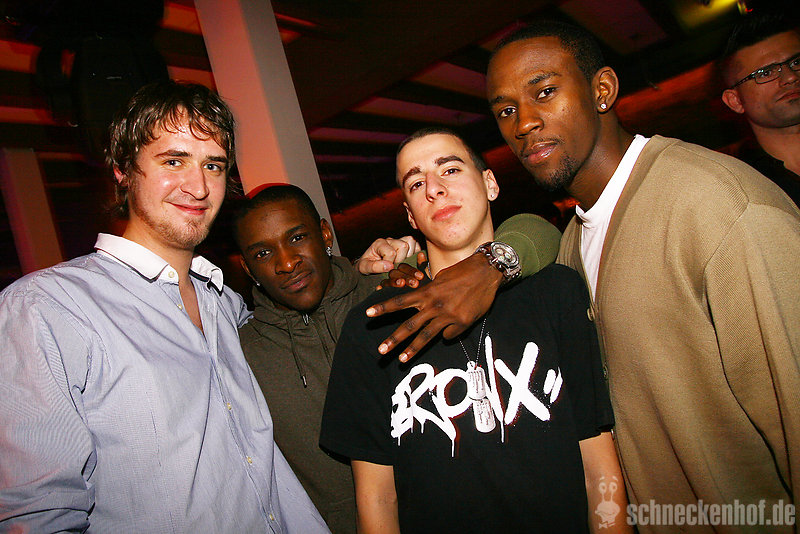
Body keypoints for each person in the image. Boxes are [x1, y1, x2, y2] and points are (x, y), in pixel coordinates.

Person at [366, 21, 800, 531]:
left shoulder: (720, 208)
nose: (524, 123)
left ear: (602, 90)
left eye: (544, 92)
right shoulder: (570, 243)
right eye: (505, 110)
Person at [0, 80, 329, 533]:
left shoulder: (227, 304)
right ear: (123, 170)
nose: (199, 187)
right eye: (174, 161)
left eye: (213, 165)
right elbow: (35, 515)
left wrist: (376, 268)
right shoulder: (46, 310)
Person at [320, 128, 629, 534]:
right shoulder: (373, 323)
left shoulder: (556, 291)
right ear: (410, 215)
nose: (434, 188)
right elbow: (378, 498)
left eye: (450, 169)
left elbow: (599, 465)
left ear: (490, 184)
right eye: (416, 183)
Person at [234, 184, 387, 534]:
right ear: (248, 268)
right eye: (263, 253)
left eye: (297, 237)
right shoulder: (243, 357)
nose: (287, 262)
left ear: (325, 233)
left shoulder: (387, 295)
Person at [720, 10, 800, 204]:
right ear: (735, 101)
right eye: (765, 73)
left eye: (796, 62)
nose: (790, 77)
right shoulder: (742, 189)